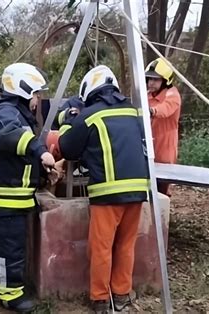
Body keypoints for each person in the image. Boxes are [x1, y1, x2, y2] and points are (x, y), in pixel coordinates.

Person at [55, 65, 150, 313]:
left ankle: (99, 299)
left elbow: (67, 149)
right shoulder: (133, 111)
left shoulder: (89, 116)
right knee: (126, 245)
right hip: (139, 189)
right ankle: (121, 295)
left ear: (89, 91)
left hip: (108, 193)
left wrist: (67, 122)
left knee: (101, 248)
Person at [0, 63, 55, 312]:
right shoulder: (6, 114)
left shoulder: (12, 112)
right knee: (11, 248)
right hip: (6, 197)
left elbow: (17, 153)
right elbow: (10, 138)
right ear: (24, 90)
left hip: (10, 195)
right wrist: (41, 152)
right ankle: (10, 293)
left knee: (4, 245)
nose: (38, 100)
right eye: (36, 94)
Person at [145, 58, 181, 196]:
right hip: (148, 146)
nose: (151, 83)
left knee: (162, 189)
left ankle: (162, 215)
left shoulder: (172, 95)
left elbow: (165, 109)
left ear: (166, 80)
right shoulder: (147, 95)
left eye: (156, 80)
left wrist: (152, 111)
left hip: (164, 149)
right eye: (149, 79)